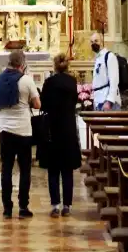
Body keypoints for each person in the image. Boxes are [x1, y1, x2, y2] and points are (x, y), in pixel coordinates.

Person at [0, 47, 39, 219]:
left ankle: (7, 208)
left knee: (6, 169)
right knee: (25, 170)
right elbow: (37, 104)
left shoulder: (0, 79)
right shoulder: (26, 80)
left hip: (5, 129)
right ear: (22, 64)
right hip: (23, 131)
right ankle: (23, 206)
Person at [39, 53, 81, 216]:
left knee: (53, 169)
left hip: (53, 128)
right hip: (68, 128)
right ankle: (67, 205)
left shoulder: (49, 82)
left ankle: (55, 205)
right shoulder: (72, 81)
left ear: (54, 66)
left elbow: (43, 104)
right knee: (67, 169)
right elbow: (75, 100)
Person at [90, 31, 120, 110]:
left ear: (102, 42)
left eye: (96, 41)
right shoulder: (98, 58)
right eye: (91, 42)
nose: (93, 44)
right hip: (98, 100)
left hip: (107, 101)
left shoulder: (109, 56)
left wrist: (109, 101)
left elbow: (114, 80)